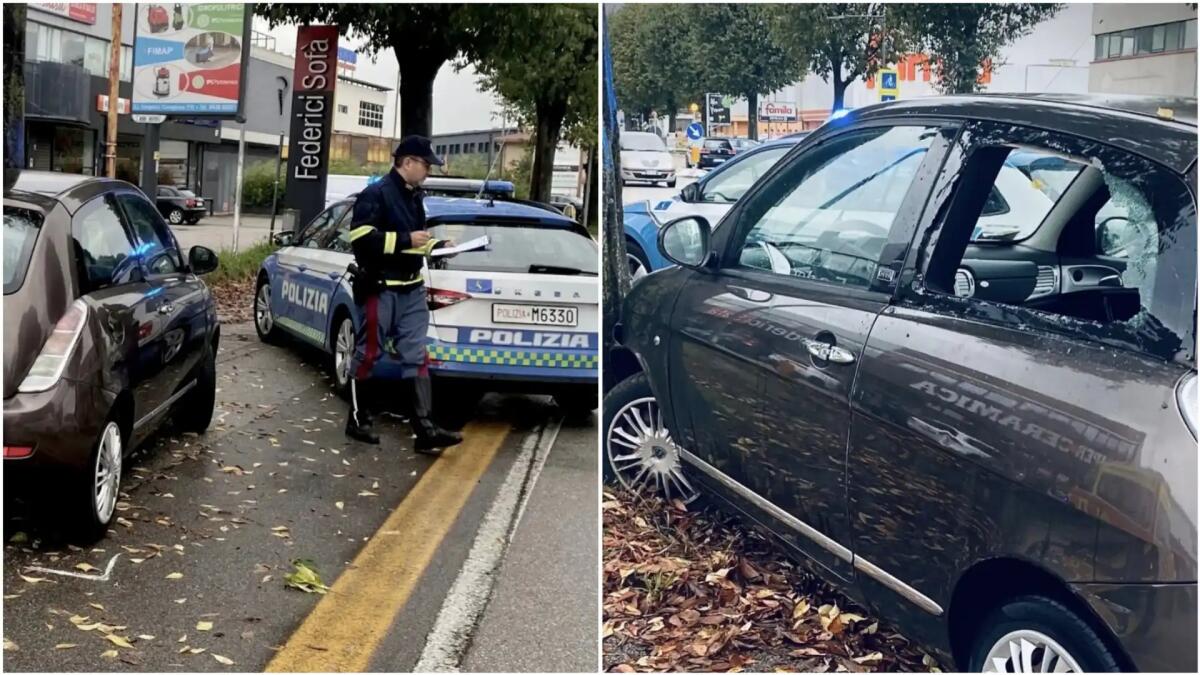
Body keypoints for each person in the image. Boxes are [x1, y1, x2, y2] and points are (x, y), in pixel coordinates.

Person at [344, 135, 463, 455]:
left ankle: (425, 430)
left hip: (411, 290)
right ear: (407, 162)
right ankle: (358, 419)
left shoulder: (414, 196)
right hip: (380, 289)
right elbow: (361, 240)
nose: (428, 171)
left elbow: (416, 240)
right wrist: (405, 240)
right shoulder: (375, 194)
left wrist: (438, 246)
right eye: (426, 165)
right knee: (368, 353)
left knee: (416, 356)